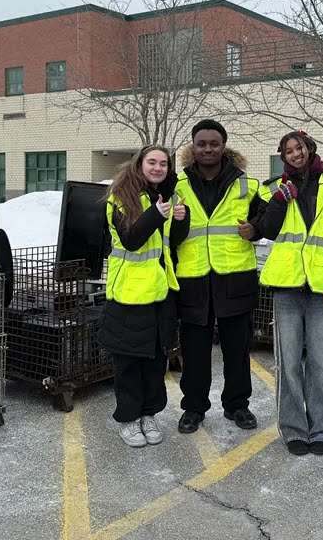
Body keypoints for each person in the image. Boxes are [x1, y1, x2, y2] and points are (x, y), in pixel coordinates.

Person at [257, 130, 323, 456]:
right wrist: (280, 201)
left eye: (299, 148)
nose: (295, 154)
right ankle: (295, 429)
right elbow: (267, 231)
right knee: (289, 364)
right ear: (283, 157)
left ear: (310, 149)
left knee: (322, 363)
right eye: (288, 151)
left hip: (321, 289)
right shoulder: (275, 189)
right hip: (287, 289)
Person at [173, 119, 270, 434]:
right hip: (193, 281)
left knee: (237, 351)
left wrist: (255, 229)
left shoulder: (247, 184)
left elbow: (269, 219)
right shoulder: (177, 185)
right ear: (193, 146)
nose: (208, 149)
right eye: (202, 143)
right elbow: (165, 228)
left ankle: (237, 406)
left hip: (234, 281)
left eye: (214, 143)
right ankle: (194, 408)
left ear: (224, 146)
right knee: (194, 352)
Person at [99, 145, 188, 448]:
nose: (158, 168)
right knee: (128, 362)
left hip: (160, 292)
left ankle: (149, 414)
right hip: (129, 292)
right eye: (152, 162)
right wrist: (156, 214)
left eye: (163, 163)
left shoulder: (164, 197)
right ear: (140, 164)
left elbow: (172, 242)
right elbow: (132, 240)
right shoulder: (119, 198)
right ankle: (128, 418)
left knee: (155, 360)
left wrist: (179, 219)